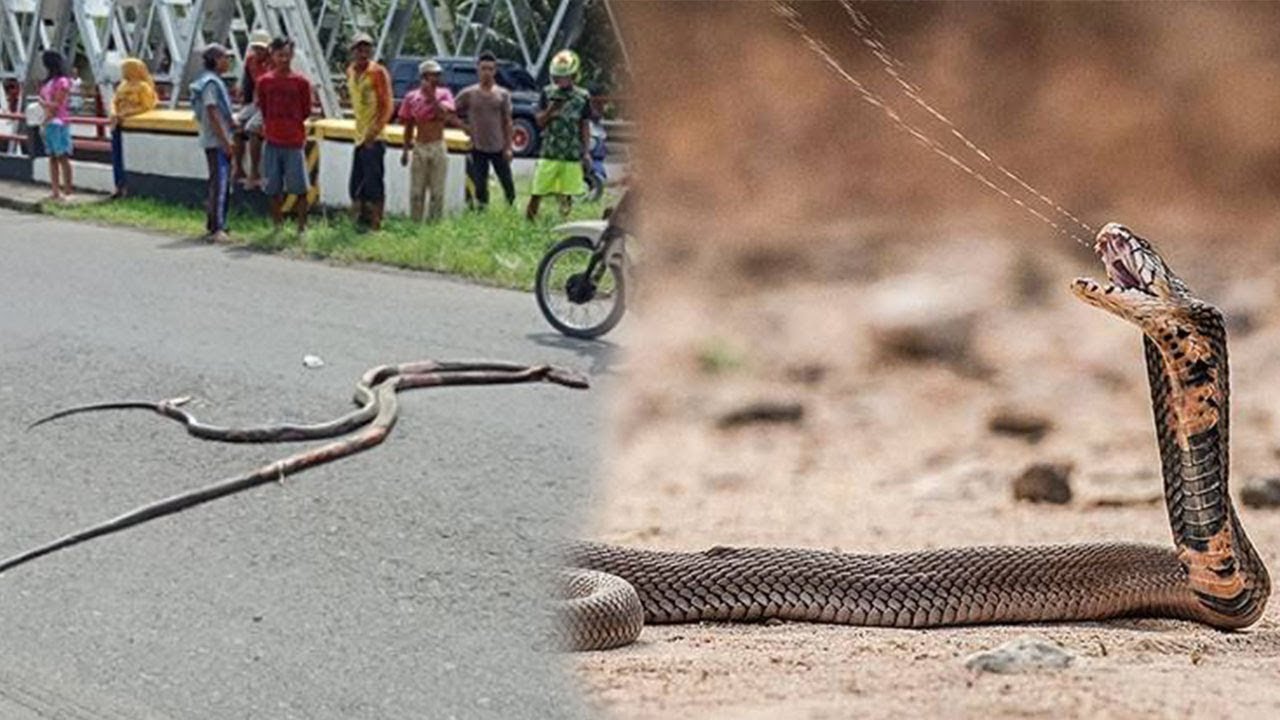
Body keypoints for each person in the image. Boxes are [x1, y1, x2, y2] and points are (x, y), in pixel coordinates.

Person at [255, 37, 313, 233]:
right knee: (273, 188)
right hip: (272, 138)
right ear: (273, 55)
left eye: (287, 55)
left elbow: (306, 110)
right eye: (280, 55)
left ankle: (301, 227)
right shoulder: (264, 82)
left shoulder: (301, 83)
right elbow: (263, 107)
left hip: (294, 140)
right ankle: (277, 225)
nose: (284, 59)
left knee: (300, 188)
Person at [526, 49, 591, 221]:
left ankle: (564, 220)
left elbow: (584, 124)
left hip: (571, 152)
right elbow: (539, 122)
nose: (561, 81)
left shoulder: (583, 97)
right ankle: (530, 219)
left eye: (565, 77)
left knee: (567, 192)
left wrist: (586, 152)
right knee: (538, 189)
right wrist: (551, 110)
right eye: (558, 77)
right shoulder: (547, 93)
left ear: (574, 75)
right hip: (550, 151)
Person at [455, 51, 515, 209]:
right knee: (480, 184)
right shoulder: (468, 93)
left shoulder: (503, 94)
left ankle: (511, 208)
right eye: (483, 68)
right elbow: (449, 112)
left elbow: (508, 121)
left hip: (498, 146)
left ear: (495, 71)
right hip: (477, 146)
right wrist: (464, 127)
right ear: (478, 70)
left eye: (490, 69)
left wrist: (509, 147)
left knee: (507, 182)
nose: (486, 72)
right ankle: (482, 210)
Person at [345, 32, 392, 230]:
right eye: (359, 49)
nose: (363, 53)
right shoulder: (350, 71)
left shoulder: (377, 72)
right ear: (353, 51)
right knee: (356, 182)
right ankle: (358, 221)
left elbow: (387, 105)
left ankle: (376, 224)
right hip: (359, 134)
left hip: (374, 136)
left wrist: (374, 132)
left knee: (374, 181)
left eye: (367, 49)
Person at [398, 59, 455, 222]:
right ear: (424, 76)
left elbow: (444, 115)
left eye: (438, 75)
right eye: (433, 75)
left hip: (437, 145)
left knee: (437, 191)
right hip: (420, 146)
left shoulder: (444, 94)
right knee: (417, 191)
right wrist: (405, 149)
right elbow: (408, 124)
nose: (437, 78)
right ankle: (415, 222)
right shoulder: (411, 97)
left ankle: (434, 222)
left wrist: (432, 98)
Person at [190, 43, 235, 242]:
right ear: (216, 60)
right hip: (216, 141)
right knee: (220, 183)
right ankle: (217, 227)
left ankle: (217, 223)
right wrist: (225, 140)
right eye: (225, 57)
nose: (228, 62)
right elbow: (213, 111)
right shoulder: (210, 83)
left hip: (215, 139)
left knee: (220, 182)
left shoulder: (210, 80)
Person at [108, 58, 157, 199]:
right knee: (117, 157)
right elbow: (114, 100)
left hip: (131, 124)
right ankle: (119, 186)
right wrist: (113, 112)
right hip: (118, 124)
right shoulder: (122, 86)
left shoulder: (143, 87)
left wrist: (127, 113)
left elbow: (147, 106)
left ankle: (127, 188)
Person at [232, 29, 272, 189]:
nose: (258, 52)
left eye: (261, 48)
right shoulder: (250, 61)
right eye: (256, 48)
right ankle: (238, 168)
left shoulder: (273, 62)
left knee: (252, 128)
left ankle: (254, 171)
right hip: (255, 102)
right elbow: (248, 82)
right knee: (235, 125)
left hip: (268, 104)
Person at [37, 51, 74, 202]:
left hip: (58, 122)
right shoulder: (50, 82)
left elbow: (58, 104)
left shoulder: (62, 82)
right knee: (53, 157)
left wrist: (44, 105)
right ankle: (55, 190)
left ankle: (68, 191)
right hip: (49, 121)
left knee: (62, 156)